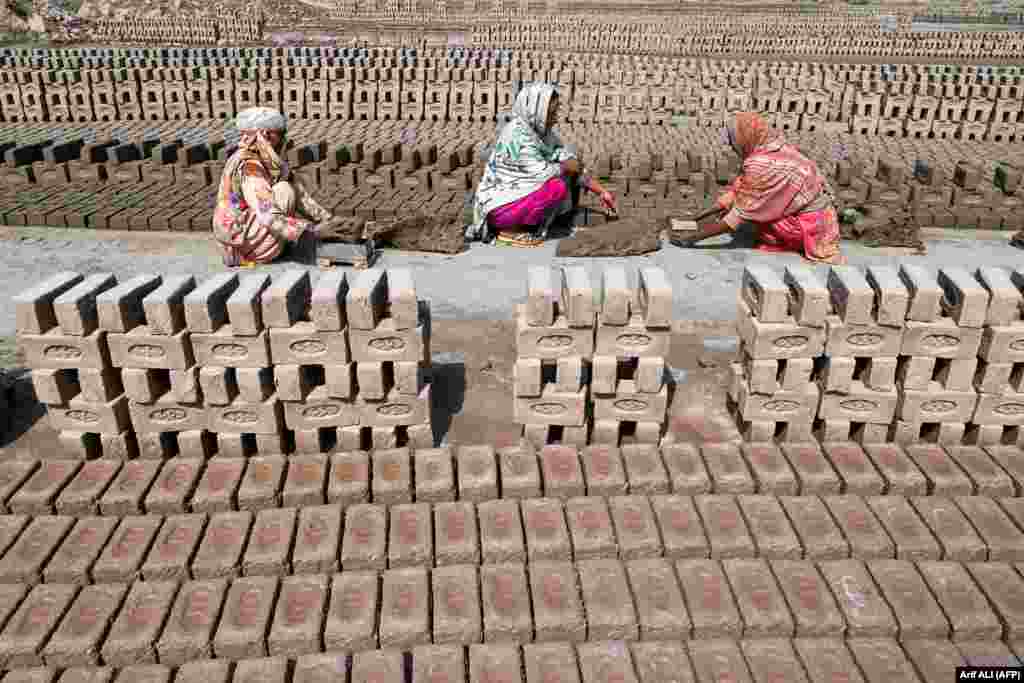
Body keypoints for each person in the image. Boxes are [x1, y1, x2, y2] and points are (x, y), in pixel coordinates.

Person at [675, 111, 845, 264]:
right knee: (751, 206)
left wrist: (692, 239)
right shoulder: (775, 147)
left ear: (745, 137)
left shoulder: (761, 165)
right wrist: (697, 218)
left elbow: (739, 215)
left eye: (733, 139)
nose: (731, 145)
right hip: (823, 219)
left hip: (812, 228)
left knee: (757, 220)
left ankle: (789, 241)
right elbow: (737, 193)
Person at [467, 82, 618, 247]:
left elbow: (570, 161)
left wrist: (602, 192)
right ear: (535, 110)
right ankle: (510, 232)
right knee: (556, 187)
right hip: (499, 208)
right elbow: (542, 173)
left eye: (555, 112)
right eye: (551, 113)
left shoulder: (543, 134)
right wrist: (566, 166)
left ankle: (527, 223)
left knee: (564, 172)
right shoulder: (516, 135)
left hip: (515, 201)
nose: (556, 118)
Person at [213, 106, 339, 266]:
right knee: (284, 190)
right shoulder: (250, 166)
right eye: (280, 135)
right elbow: (267, 214)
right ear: (265, 135)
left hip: (250, 232)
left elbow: (302, 197)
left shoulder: (270, 162)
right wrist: (309, 232)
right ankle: (267, 250)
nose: (283, 141)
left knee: (287, 185)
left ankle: (276, 242)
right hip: (242, 244)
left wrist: (329, 221)